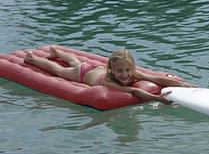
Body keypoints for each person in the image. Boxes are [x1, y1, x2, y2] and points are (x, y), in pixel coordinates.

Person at [24, 46, 197, 104]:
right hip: (83, 73)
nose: (125, 75)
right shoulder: (109, 81)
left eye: (127, 70)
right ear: (112, 71)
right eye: (120, 71)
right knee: (59, 71)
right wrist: (158, 99)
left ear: (131, 68)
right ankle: (32, 59)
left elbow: (157, 79)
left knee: (75, 61)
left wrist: (186, 85)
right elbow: (134, 92)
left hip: (92, 67)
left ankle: (57, 52)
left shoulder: (132, 72)